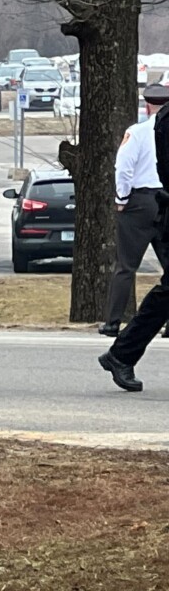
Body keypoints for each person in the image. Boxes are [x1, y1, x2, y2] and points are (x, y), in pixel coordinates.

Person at [100, 84, 169, 390]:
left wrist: (122, 198)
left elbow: (124, 168)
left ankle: (116, 331)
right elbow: (124, 168)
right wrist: (123, 197)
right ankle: (120, 347)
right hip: (154, 201)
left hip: (145, 200)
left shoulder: (142, 130)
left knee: (128, 267)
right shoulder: (154, 129)